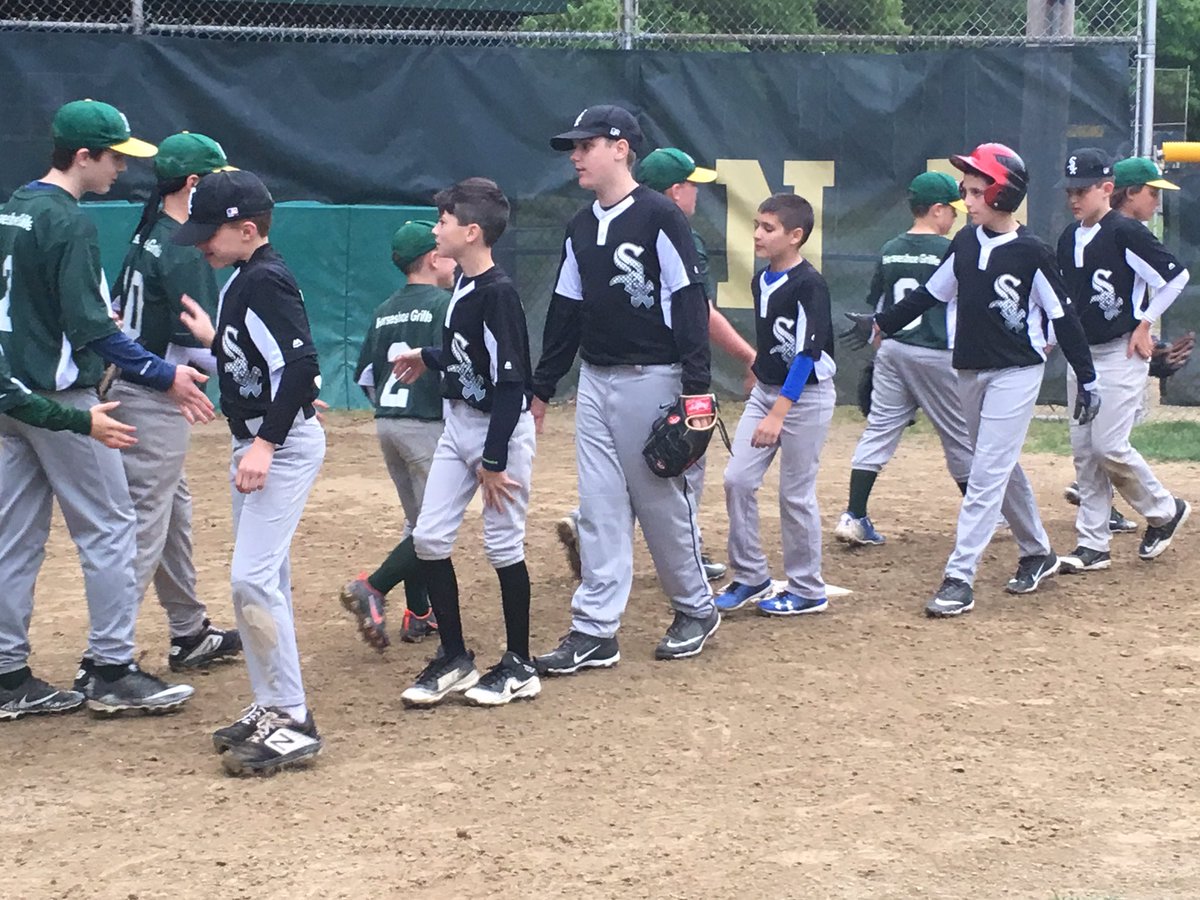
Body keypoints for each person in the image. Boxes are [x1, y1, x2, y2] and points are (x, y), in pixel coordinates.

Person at [0, 99, 213, 722]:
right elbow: (91, 329)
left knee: (14, 540)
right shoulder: (69, 221)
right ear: (83, 156)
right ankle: (111, 669)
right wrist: (162, 371)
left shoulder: (12, 207)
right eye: (114, 155)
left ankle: (8, 674)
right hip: (62, 395)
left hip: (12, 395)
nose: (122, 167)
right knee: (113, 527)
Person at [866, 142, 1100, 617]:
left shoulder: (1032, 251)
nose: (966, 201)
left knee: (984, 474)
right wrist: (882, 323)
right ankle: (1038, 552)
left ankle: (959, 577)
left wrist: (1089, 379)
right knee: (999, 465)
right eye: (965, 191)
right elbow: (933, 293)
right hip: (969, 371)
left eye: (975, 192)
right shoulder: (966, 242)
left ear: (1002, 195)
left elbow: (1064, 318)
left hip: (1016, 371)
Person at [532, 105, 719, 673]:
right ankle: (595, 630)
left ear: (620, 147)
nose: (575, 156)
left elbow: (688, 302)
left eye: (584, 145)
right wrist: (542, 389)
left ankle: (694, 608)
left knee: (663, 503)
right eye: (574, 147)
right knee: (599, 508)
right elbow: (565, 312)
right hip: (595, 380)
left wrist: (696, 389)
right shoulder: (580, 226)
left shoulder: (660, 216)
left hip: (653, 378)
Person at [175, 169, 326, 775]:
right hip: (260, 440)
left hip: (278, 446)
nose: (200, 243)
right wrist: (218, 340)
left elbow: (302, 362)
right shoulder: (242, 276)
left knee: (251, 580)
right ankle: (272, 703)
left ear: (246, 229)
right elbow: (263, 356)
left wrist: (266, 441)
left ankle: (292, 717)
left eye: (209, 232)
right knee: (265, 582)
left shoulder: (266, 280)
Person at [553, 147, 754, 583]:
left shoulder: (621, 220)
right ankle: (690, 571)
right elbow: (698, 309)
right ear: (676, 189)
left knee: (632, 467)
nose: (696, 193)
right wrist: (740, 358)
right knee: (676, 468)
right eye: (692, 184)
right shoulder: (672, 226)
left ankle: (589, 525)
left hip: (609, 371)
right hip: (653, 371)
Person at [390, 178, 540, 708]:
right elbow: (465, 352)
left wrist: (494, 461)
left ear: (471, 232)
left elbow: (511, 380)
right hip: (458, 428)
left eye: (445, 222)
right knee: (430, 539)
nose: (437, 230)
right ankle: (455, 655)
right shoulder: (465, 287)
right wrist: (427, 357)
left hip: (499, 431)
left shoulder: (498, 292)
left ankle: (520, 664)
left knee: (502, 545)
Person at [110, 131, 242, 672]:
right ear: (193, 183)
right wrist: (264, 380)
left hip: (137, 386)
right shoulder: (187, 246)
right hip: (156, 397)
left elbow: (118, 310)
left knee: (171, 517)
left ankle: (189, 631)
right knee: (142, 527)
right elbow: (199, 345)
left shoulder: (149, 233)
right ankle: (107, 658)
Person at [1055, 148, 1190, 574]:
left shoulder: (1124, 232)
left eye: (1084, 189)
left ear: (1107, 189)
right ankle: (1093, 544)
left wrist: (1145, 323)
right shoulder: (1067, 238)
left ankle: (1165, 509)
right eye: (1070, 190)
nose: (1075, 198)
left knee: (1108, 445)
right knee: (1084, 453)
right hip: (1083, 357)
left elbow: (1176, 277)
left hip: (1120, 352)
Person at [833, 172, 973, 547]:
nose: (956, 217)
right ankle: (982, 514)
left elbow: (878, 307)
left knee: (879, 429)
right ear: (937, 209)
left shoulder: (891, 247)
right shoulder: (953, 249)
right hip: (937, 351)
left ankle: (854, 514)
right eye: (952, 210)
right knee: (960, 438)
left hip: (892, 350)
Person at [715, 193, 836, 616]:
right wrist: (759, 371)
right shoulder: (761, 279)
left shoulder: (809, 284)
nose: (758, 235)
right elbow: (774, 342)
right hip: (769, 390)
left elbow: (807, 354)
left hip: (806, 397)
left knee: (795, 495)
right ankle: (751, 574)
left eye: (769, 228)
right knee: (737, 480)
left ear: (796, 236)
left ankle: (807, 589)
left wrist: (778, 413)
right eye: (757, 226)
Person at [339, 220, 455, 648]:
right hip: (426, 423)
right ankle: (373, 587)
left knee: (418, 523)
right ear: (432, 258)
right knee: (433, 529)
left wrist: (391, 411)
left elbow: (367, 375)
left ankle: (420, 613)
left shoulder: (384, 308)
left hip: (388, 421)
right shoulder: (445, 304)